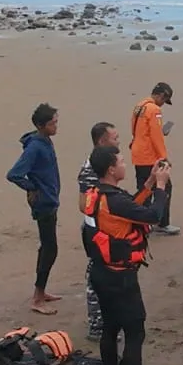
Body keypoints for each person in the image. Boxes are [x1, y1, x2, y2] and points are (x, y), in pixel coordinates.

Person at [81, 144, 172, 365]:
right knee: (135, 333)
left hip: (100, 272)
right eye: (121, 160)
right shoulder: (114, 200)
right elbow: (153, 216)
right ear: (111, 169)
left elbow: (127, 210)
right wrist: (161, 186)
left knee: (110, 327)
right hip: (120, 278)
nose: (124, 163)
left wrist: (147, 183)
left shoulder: (96, 194)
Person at [6, 102, 62, 315]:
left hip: (50, 199)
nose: (56, 126)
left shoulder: (46, 141)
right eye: (52, 123)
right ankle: (37, 298)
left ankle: (42, 291)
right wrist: (31, 188)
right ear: (41, 125)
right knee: (50, 249)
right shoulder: (35, 147)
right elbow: (14, 174)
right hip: (44, 203)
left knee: (47, 248)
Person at [78, 121, 119, 341]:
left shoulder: (102, 164)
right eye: (115, 137)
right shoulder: (91, 168)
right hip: (96, 231)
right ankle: (96, 326)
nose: (118, 141)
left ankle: (105, 321)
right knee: (97, 277)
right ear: (103, 141)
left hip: (103, 228)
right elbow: (83, 203)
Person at [130, 82, 179, 236]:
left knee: (143, 187)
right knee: (164, 186)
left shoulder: (139, 106)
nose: (163, 104)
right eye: (164, 100)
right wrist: (163, 157)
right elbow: (156, 136)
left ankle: (141, 222)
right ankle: (161, 222)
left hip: (138, 152)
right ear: (161, 95)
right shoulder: (154, 110)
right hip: (149, 156)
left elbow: (135, 127)